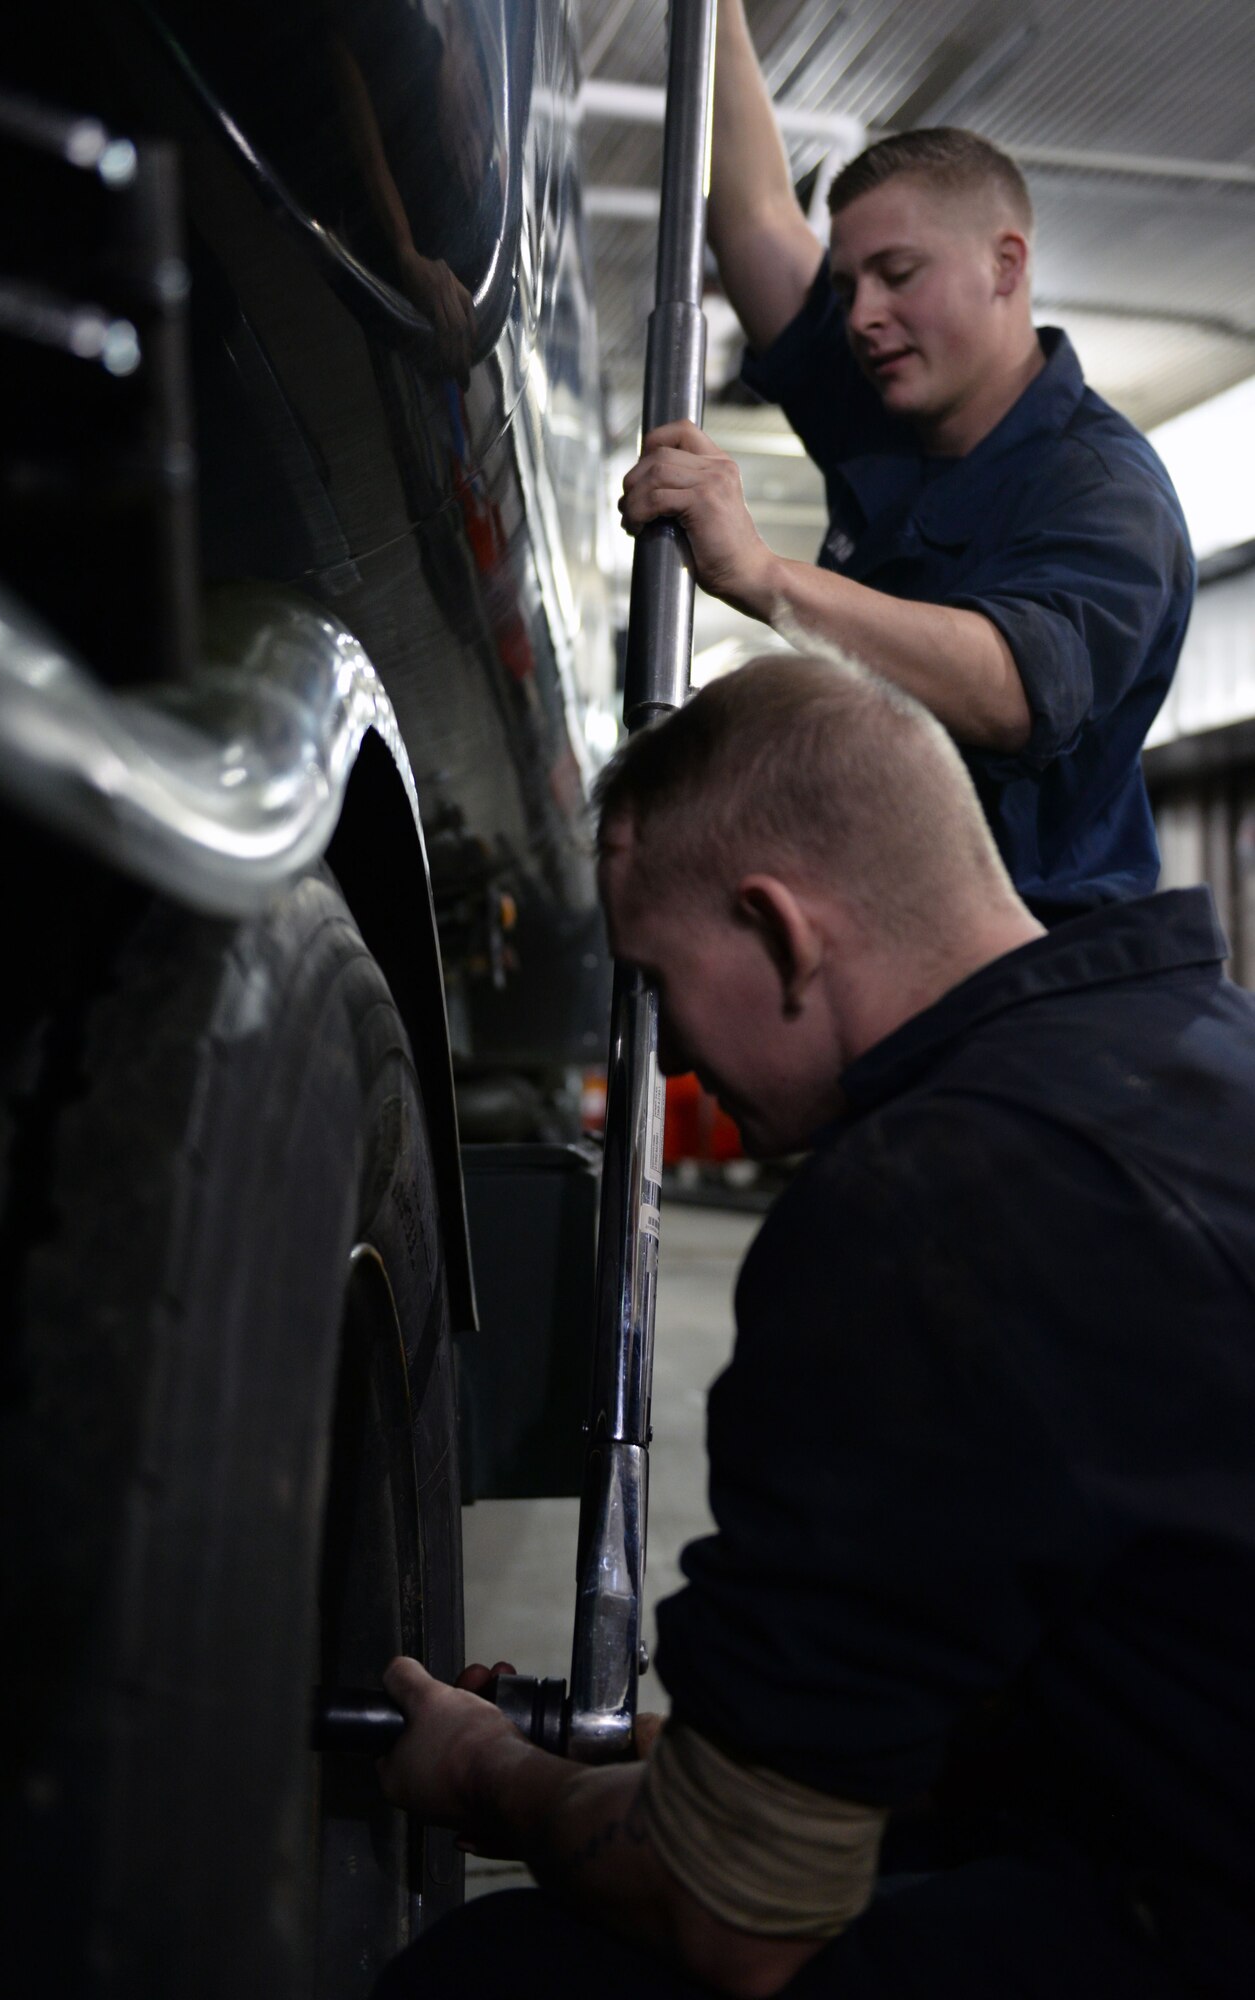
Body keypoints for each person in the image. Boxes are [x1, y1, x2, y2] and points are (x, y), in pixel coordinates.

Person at [372, 648, 1255, 2000]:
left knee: (493, 1978)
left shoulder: (923, 1205)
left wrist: (488, 1776)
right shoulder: (1200, 1051)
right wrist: (701, 1754)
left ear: (778, 929)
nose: (663, 1062)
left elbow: (742, 1923)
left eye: (658, 984)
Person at [618, 1, 1195, 924]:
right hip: (891, 926)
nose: (860, 315)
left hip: (1031, 967)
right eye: (848, 287)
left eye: (897, 274)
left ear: (1005, 266)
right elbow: (761, 220)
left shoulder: (1103, 490)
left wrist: (767, 578)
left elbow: (1011, 688)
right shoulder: (891, 408)